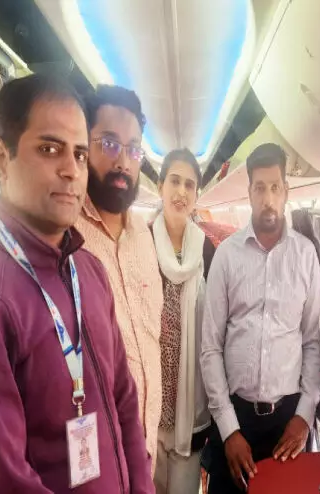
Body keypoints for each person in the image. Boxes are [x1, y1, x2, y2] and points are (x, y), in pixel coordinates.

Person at [0, 73, 153, 493]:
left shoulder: (88, 271)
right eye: (49, 149)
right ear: (1, 159)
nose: (71, 170)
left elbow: (124, 401)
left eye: (79, 153)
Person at [200, 143, 320, 493]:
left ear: (286, 191)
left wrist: (304, 415)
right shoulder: (227, 256)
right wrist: (229, 429)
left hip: (287, 423)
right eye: (259, 188)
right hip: (235, 415)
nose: (268, 198)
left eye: (275, 187)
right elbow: (210, 347)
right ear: (250, 193)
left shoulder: (305, 255)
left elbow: (312, 342)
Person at [74, 85, 164, 471]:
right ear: (84, 146)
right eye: (109, 144)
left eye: (134, 149)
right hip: (95, 457)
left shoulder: (143, 234)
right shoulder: (65, 236)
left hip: (146, 447)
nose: (124, 162)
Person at [149, 148, 216, 493]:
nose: (181, 191)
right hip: (149, 404)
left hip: (190, 405)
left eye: (189, 185)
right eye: (174, 181)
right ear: (160, 186)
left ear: (196, 195)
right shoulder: (140, 242)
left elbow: (215, 328)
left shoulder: (208, 251)